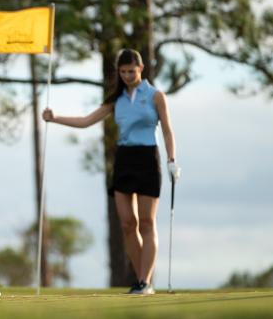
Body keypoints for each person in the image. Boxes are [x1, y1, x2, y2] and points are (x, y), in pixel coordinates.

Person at [42, 49, 180, 295]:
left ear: (141, 69)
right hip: (124, 159)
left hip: (148, 158)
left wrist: (172, 159)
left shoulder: (155, 96)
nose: (127, 75)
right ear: (119, 72)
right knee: (128, 224)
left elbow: (168, 131)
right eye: (123, 71)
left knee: (147, 222)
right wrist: (55, 118)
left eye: (132, 71)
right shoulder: (116, 99)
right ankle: (141, 280)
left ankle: (144, 282)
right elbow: (86, 121)